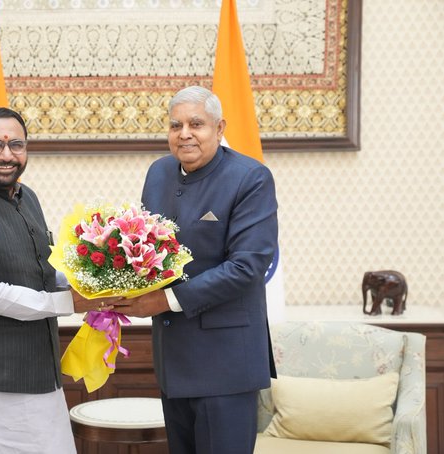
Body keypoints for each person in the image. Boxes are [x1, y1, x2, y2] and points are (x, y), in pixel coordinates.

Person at [0, 107, 115, 454]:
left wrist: (97, 280)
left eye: (16, 144)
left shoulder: (26, 196)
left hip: (40, 377)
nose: (7, 155)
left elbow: (40, 271)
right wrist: (69, 302)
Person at [113, 86, 278, 454]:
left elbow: (247, 266)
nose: (184, 133)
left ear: (219, 128)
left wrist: (164, 301)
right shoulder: (159, 172)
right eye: (176, 125)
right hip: (173, 360)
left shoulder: (250, 177)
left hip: (226, 363)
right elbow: (147, 247)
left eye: (196, 124)